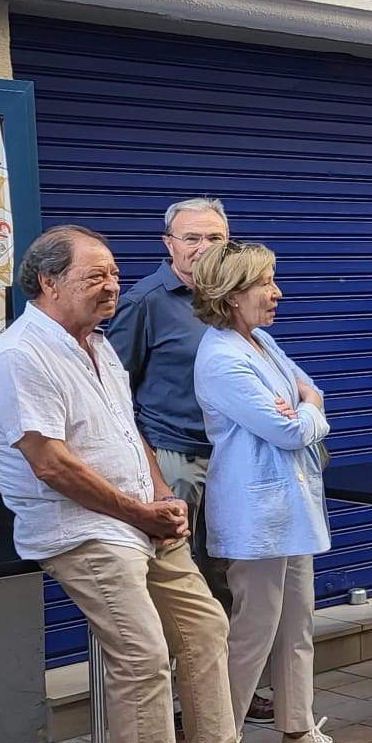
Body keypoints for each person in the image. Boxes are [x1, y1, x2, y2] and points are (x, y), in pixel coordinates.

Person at [0, 226, 297, 743]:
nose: (113, 286)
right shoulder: (21, 355)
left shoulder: (96, 346)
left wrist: (160, 499)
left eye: (115, 275)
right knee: (142, 652)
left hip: (136, 521)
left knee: (206, 624)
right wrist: (137, 512)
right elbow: (51, 464)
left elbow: (130, 435)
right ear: (47, 282)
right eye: (94, 276)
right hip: (81, 529)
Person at [190, 240, 354, 743]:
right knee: (253, 628)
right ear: (232, 294)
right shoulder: (220, 357)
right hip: (256, 514)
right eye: (265, 283)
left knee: (297, 622)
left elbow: (310, 391)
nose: (276, 292)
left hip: (293, 510)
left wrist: (305, 408)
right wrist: (307, 414)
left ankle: (298, 729)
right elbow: (288, 427)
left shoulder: (260, 341)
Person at [108, 199, 237, 609]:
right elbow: (112, 391)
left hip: (230, 456)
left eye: (214, 237)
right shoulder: (144, 302)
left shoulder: (233, 297)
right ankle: (176, 668)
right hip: (173, 458)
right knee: (176, 571)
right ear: (169, 244)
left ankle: (218, 668)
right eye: (191, 238)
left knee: (226, 568)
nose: (203, 247)